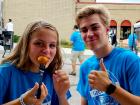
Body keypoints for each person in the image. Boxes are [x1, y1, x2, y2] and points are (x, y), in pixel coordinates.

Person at [76, 4, 140, 105]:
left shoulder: (130, 60)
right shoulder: (85, 67)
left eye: (95, 27)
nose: (89, 34)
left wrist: (109, 87)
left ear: (107, 29)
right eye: (84, 30)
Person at [0, 20, 71, 105]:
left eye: (52, 45)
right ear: (26, 45)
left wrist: (62, 95)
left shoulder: (54, 76)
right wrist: (22, 102)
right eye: (39, 43)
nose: (47, 50)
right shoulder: (5, 72)